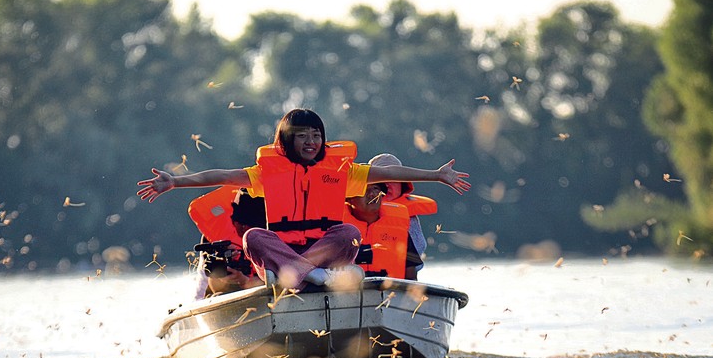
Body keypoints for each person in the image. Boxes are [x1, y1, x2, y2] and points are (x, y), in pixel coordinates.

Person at [137, 108, 470, 290]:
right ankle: (303, 272)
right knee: (254, 236)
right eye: (302, 136)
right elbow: (221, 176)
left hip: (324, 257)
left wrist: (436, 175)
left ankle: (302, 272)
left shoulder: (343, 171)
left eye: (316, 136)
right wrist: (175, 181)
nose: (311, 141)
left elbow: (387, 175)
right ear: (286, 141)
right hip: (285, 252)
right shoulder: (268, 173)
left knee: (349, 234)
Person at [368, 153, 438, 279]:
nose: (387, 185)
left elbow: (417, 251)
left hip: (400, 279)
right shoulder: (356, 210)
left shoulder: (406, 216)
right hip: (363, 279)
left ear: (402, 185)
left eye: (393, 180)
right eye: (381, 181)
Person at [188, 187, 266, 297]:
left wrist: (246, 281)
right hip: (217, 296)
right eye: (242, 226)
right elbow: (202, 289)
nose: (247, 233)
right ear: (234, 222)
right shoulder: (215, 240)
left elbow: (286, 281)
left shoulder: (279, 239)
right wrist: (223, 268)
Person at [342, 182, 413, 279]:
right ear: (349, 198)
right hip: (347, 291)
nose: (372, 194)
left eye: (375, 188)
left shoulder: (398, 227)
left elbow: (412, 275)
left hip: (391, 291)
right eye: (363, 189)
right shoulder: (336, 227)